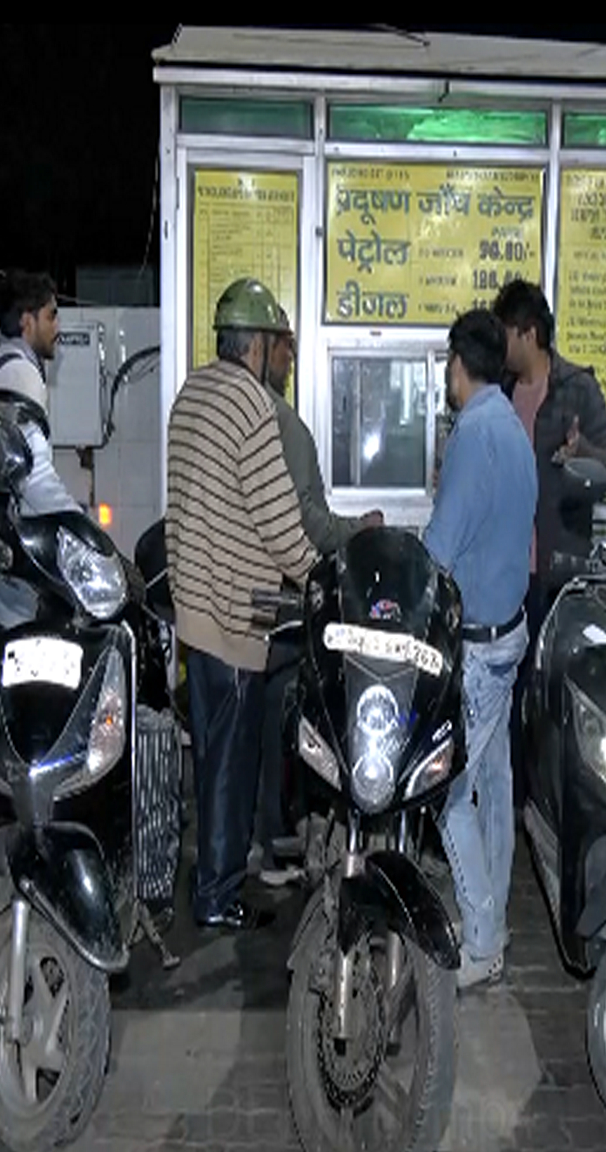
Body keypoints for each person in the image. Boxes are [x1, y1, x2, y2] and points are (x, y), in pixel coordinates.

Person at [165, 278, 318, 930]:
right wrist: (315, 577)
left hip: (194, 605)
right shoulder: (252, 409)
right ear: (255, 345)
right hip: (232, 615)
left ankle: (214, 879)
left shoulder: (192, 393)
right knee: (229, 764)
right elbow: (281, 523)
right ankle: (218, 899)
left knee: (212, 758)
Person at [424, 309, 537, 989]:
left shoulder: (473, 433)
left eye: (447, 363)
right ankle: (492, 914)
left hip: (480, 647)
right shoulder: (513, 428)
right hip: (510, 631)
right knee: (494, 784)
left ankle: (483, 938)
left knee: (446, 790)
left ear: (459, 364)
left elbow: (441, 545)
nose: (446, 375)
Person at [253, 316, 381, 888]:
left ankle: (252, 844)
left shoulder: (234, 415)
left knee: (245, 732)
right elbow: (306, 523)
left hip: (240, 601)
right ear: (266, 349)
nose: (290, 359)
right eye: (287, 348)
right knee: (283, 722)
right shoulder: (280, 423)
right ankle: (273, 837)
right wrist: (362, 528)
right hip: (277, 602)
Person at [491, 280, 606, 808]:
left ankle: (549, 807)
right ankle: (514, 802)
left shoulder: (577, 389)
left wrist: (582, 452)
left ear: (530, 333)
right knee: (509, 694)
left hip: (558, 572)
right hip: (506, 574)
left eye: (507, 335)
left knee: (553, 700)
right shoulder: (497, 392)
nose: (502, 347)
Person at [0, 270, 81, 628]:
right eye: (51, 315)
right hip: (9, 546)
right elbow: (32, 473)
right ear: (27, 321)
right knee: (23, 647)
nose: (57, 326)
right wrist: (78, 524)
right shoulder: (20, 376)